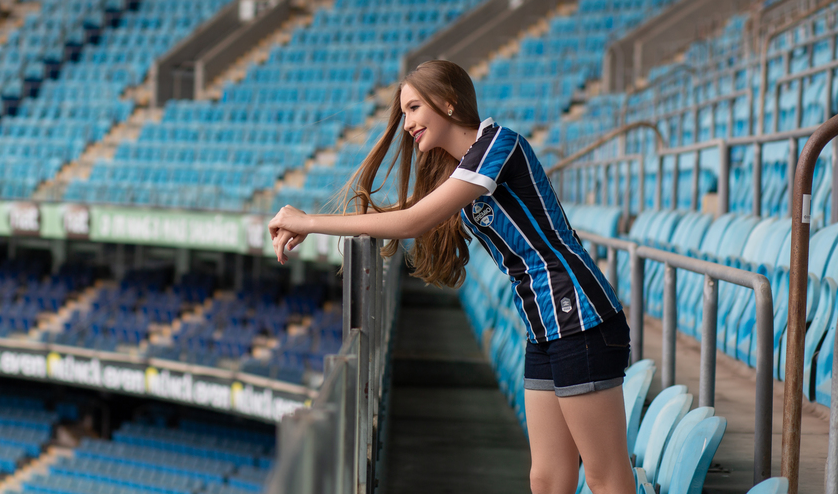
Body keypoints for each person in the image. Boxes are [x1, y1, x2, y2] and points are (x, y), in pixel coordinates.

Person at [267, 60, 635, 494]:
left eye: (414, 108)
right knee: (547, 478)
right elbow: (405, 212)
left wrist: (309, 223)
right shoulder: (465, 166)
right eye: (404, 112)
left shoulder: (499, 144)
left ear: (448, 102)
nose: (407, 123)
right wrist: (313, 222)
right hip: (543, 325)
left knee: (604, 476)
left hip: (580, 316)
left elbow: (412, 222)